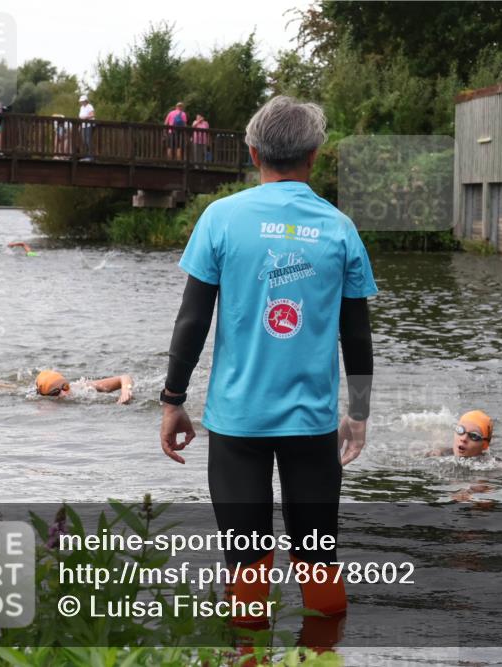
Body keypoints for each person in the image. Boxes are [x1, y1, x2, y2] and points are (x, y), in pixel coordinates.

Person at [159, 96, 377, 628]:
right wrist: (359, 414)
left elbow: (192, 321)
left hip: (237, 426)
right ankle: (322, 658)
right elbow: (357, 332)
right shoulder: (340, 229)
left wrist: (173, 400)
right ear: (315, 156)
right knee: (319, 561)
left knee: (246, 565)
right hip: (312, 427)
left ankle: (249, 657)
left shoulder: (220, 218)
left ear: (253, 152)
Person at [0, 369, 134, 404]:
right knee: (8, 387)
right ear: (45, 395)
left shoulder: (81, 388)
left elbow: (124, 377)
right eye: (56, 392)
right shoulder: (33, 398)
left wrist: (126, 390)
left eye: (65, 387)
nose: (64, 394)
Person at [427, 410, 494, 458]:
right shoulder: (439, 454)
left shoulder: (495, 467)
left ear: (485, 445)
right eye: (460, 430)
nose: (463, 438)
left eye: (474, 436)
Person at [77, 94, 95, 158]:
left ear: (86, 101)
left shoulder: (89, 106)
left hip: (89, 125)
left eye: (83, 101)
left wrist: (85, 117)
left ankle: (91, 156)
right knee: (84, 140)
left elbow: (92, 115)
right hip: (83, 125)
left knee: (88, 140)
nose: (81, 102)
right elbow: (80, 117)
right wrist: (80, 125)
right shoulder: (81, 108)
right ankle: (86, 155)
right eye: (81, 101)